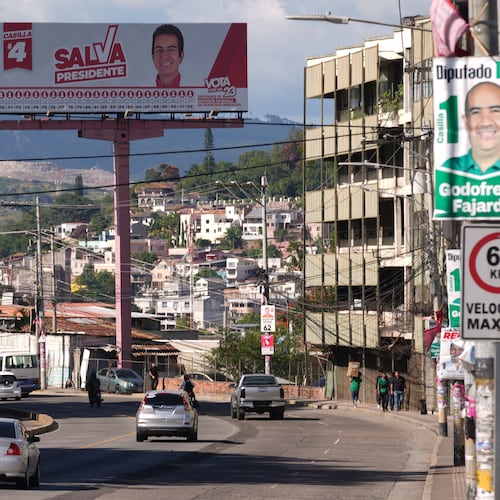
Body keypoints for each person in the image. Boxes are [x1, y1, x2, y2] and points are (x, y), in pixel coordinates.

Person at [443, 81, 500, 174]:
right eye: (476, 112)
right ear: (466, 122)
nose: (485, 122)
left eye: (495, 111)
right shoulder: (450, 170)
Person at [152, 24, 184, 88]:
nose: (164, 56)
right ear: (153, 57)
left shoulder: (198, 90)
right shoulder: (138, 92)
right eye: (159, 50)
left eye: (171, 50)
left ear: (181, 56)